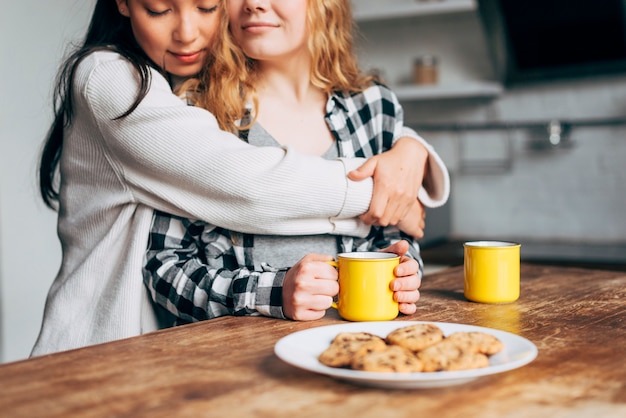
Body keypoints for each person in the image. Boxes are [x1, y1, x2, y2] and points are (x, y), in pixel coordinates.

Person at [31, 0, 448, 356]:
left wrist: (412, 159)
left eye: (208, 5)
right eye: (159, 9)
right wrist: (384, 191)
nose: (187, 33)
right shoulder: (156, 94)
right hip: (101, 357)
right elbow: (246, 186)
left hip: (349, 352)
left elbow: (393, 239)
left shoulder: (371, 107)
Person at [142, 0, 449, 327]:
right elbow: (164, 266)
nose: (254, 5)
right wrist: (272, 293)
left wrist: (403, 272)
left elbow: (398, 237)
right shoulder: (194, 111)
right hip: (232, 359)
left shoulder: (374, 106)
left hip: (358, 346)